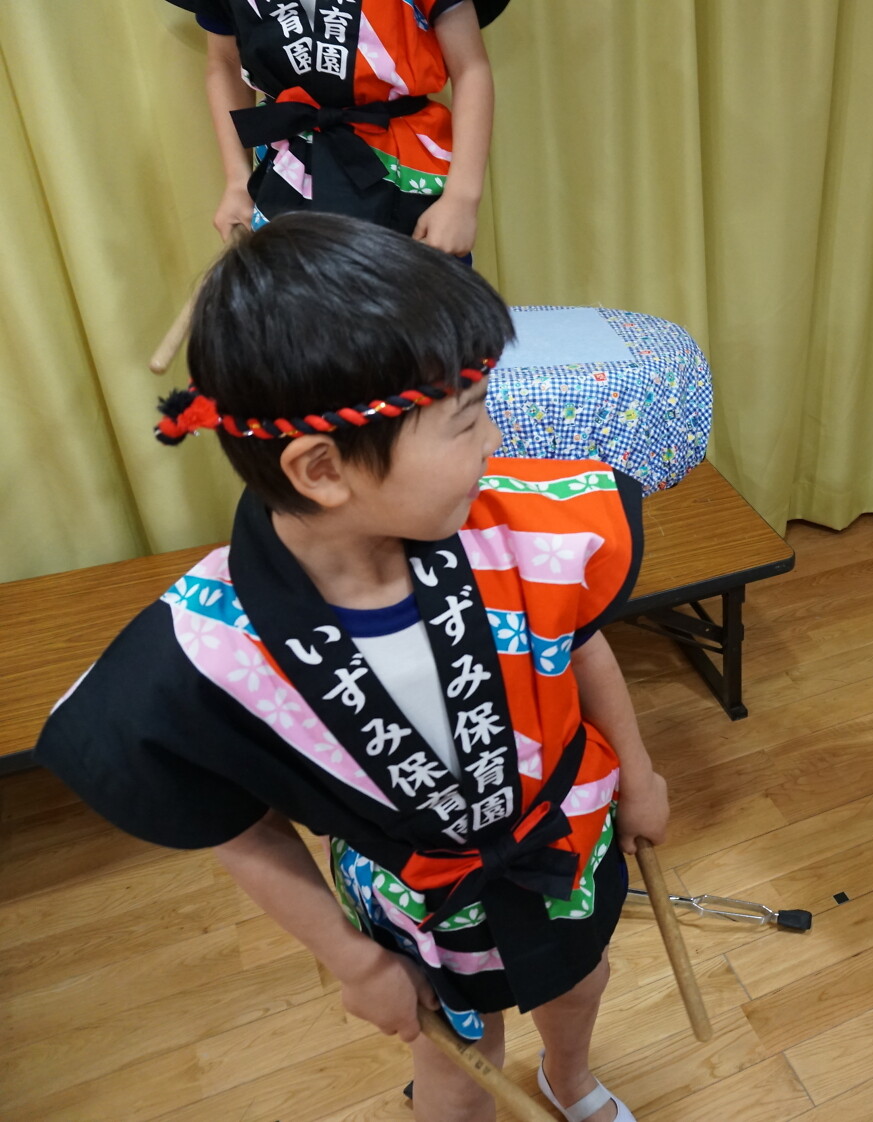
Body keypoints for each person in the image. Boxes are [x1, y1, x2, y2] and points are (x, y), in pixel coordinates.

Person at [36, 214, 662, 1122]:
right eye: (466, 422)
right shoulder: (213, 648)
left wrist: (637, 774)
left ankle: (570, 1080)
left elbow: (581, 639)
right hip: (417, 900)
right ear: (323, 468)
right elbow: (237, 825)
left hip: (562, 832)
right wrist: (353, 960)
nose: (494, 442)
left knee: (582, 979)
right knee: (460, 1063)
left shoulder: (514, 529)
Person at [167, 0, 505, 254]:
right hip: (287, 169)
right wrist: (237, 181)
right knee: (296, 313)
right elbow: (225, 64)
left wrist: (462, 198)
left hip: (403, 165)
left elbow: (470, 67)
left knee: (420, 311)